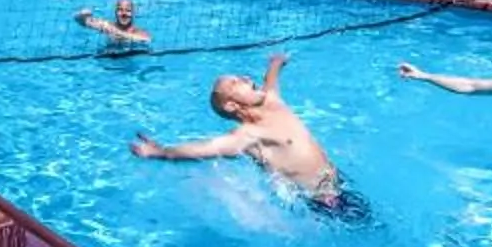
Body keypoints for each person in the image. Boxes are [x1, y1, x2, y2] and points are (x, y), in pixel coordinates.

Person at [131, 53, 357, 213]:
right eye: (237, 82)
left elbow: (270, 83)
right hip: (324, 203)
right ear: (232, 105)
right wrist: (161, 151)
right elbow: (206, 148)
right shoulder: (248, 136)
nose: (247, 79)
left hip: (338, 182)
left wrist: (276, 63)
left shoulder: (273, 103)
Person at [75, 0, 152, 48]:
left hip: (131, 56)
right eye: (120, 10)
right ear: (115, 12)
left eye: (128, 10)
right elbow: (80, 21)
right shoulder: (108, 26)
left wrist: (117, 32)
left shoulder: (138, 31)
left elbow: (146, 39)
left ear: (133, 13)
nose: (124, 14)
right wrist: (82, 15)